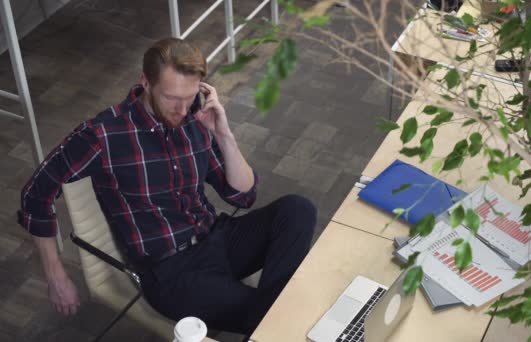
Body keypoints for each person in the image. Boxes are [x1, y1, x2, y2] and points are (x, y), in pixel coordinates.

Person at [18, 37, 317, 336]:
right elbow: (35, 194)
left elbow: (242, 195)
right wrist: (55, 274)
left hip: (216, 238)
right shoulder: (102, 135)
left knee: (297, 210)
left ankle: (269, 311)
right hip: (173, 272)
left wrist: (224, 135)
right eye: (172, 97)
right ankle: (272, 314)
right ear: (145, 82)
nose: (182, 109)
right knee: (274, 316)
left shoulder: (195, 118)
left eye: (189, 97)